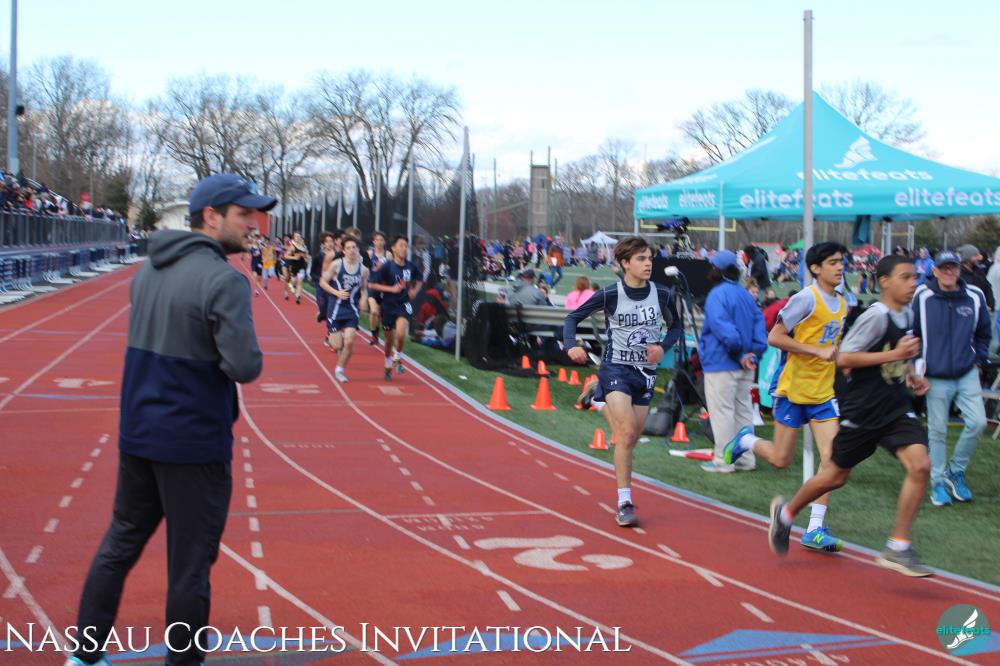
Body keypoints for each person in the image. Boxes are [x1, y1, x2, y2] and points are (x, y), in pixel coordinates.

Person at [67, 174, 272, 666]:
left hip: (139, 435)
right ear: (212, 217)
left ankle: (84, 656)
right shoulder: (224, 280)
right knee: (189, 569)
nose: (253, 224)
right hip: (193, 444)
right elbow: (245, 365)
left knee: (120, 544)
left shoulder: (147, 272)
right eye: (244, 214)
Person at [768, 255, 933, 577]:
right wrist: (896, 354)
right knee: (835, 476)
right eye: (905, 277)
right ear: (885, 282)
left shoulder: (907, 313)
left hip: (896, 408)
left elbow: (896, 357)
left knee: (920, 465)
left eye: (914, 276)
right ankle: (786, 515)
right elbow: (845, 358)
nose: (913, 283)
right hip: (864, 410)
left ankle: (898, 546)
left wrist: (911, 373)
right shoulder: (875, 316)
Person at [723, 242, 848, 553]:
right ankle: (746, 440)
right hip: (793, 390)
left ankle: (815, 528)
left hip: (823, 393)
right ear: (816, 268)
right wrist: (814, 351)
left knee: (833, 462)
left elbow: (834, 343)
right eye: (833, 262)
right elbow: (775, 337)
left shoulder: (843, 302)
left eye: (841, 262)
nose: (840, 267)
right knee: (781, 459)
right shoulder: (806, 298)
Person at [564, 236, 682, 527]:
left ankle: (596, 397)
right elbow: (572, 318)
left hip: (646, 373)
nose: (648, 264)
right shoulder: (611, 294)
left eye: (650, 258)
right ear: (625, 263)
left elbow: (676, 327)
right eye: (641, 259)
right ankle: (624, 502)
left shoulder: (662, 294)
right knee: (627, 433)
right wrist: (570, 346)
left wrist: (662, 347)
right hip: (616, 367)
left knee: (630, 438)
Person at [912, 250, 990, 506]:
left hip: (967, 372)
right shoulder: (922, 296)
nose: (949, 272)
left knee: (978, 423)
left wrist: (978, 359)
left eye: (953, 267)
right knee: (937, 431)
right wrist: (917, 370)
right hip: (935, 375)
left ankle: (955, 471)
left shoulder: (974, 295)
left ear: (959, 269)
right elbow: (913, 334)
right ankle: (937, 483)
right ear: (934, 270)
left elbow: (983, 333)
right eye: (943, 267)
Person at [698, 251, 768, 473]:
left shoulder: (717, 295)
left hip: (722, 362)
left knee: (723, 413)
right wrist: (753, 354)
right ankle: (746, 458)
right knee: (743, 411)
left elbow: (724, 330)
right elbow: (759, 326)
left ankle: (724, 460)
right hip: (745, 364)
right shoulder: (745, 295)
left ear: (718, 270)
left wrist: (739, 353)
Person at [368, 235, 423, 380]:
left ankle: (397, 356)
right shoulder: (387, 266)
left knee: (400, 333)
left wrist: (414, 291)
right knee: (388, 341)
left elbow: (420, 279)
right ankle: (387, 363)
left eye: (406, 246)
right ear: (393, 248)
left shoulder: (411, 266)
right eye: (401, 245)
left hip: (403, 304)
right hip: (388, 306)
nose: (404, 249)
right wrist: (391, 289)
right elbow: (372, 284)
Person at [320, 235, 369, 383]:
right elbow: (323, 282)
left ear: (358, 249)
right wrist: (336, 292)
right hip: (335, 308)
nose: (351, 250)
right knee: (337, 345)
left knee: (349, 342)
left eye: (354, 247)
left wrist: (364, 299)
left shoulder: (364, 270)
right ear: (344, 250)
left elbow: (364, 288)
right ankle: (338, 343)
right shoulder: (336, 265)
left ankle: (339, 370)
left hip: (352, 309)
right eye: (348, 248)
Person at [366, 231, 391, 346]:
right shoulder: (369, 254)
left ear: (384, 242)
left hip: (384, 288)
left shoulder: (388, 255)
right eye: (377, 240)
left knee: (384, 316)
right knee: (374, 311)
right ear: (373, 242)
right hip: (372, 286)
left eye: (381, 240)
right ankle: (374, 335)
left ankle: (382, 331)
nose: (379, 242)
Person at [956, 244, 994, 310]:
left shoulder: (978, 271)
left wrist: (990, 304)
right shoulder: (958, 274)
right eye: (976, 255)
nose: (979, 258)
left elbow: (987, 287)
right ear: (968, 257)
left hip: (982, 308)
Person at [283, 231, 309, 303]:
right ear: (294, 238)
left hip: (302, 266)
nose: (298, 238)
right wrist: (294, 257)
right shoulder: (292, 247)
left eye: (299, 236)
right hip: (294, 266)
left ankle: (298, 297)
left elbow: (307, 256)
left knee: (300, 281)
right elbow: (286, 256)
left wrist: (306, 258)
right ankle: (292, 285)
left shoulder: (304, 247)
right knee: (294, 281)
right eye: (296, 236)